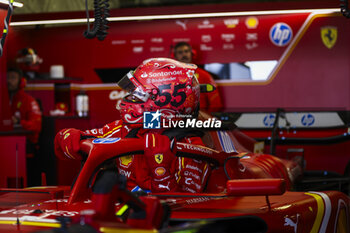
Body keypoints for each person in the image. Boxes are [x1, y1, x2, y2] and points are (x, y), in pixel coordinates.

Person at [54, 58, 211, 193]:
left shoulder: (191, 148)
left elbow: (186, 208)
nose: (127, 100)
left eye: (136, 95)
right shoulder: (125, 129)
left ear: (163, 100)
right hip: (122, 213)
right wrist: (67, 137)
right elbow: (77, 139)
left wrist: (160, 171)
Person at [7, 67, 42, 186]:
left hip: (27, 147)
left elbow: (36, 125)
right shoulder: (3, 100)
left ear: (21, 81)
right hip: (8, 145)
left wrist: (19, 122)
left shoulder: (29, 100)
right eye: (7, 78)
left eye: (12, 78)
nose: (9, 81)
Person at [173, 41, 223, 113]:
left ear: (192, 54)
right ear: (174, 56)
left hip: (200, 119)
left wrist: (205, 119)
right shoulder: (170, 76)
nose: (184, 54)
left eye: (186, 51)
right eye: (180, 52)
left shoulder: (204, 75)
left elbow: (216, 104)